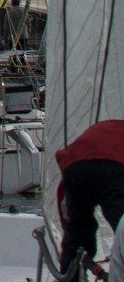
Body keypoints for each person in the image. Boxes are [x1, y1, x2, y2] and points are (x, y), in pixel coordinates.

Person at [56, 118, 124, 275]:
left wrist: (69, 229)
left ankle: (70, 277)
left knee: (78, 232)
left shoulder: (111, 129)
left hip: (74, 168)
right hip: (114, 164)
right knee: (121, 225)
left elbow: (64, 202)